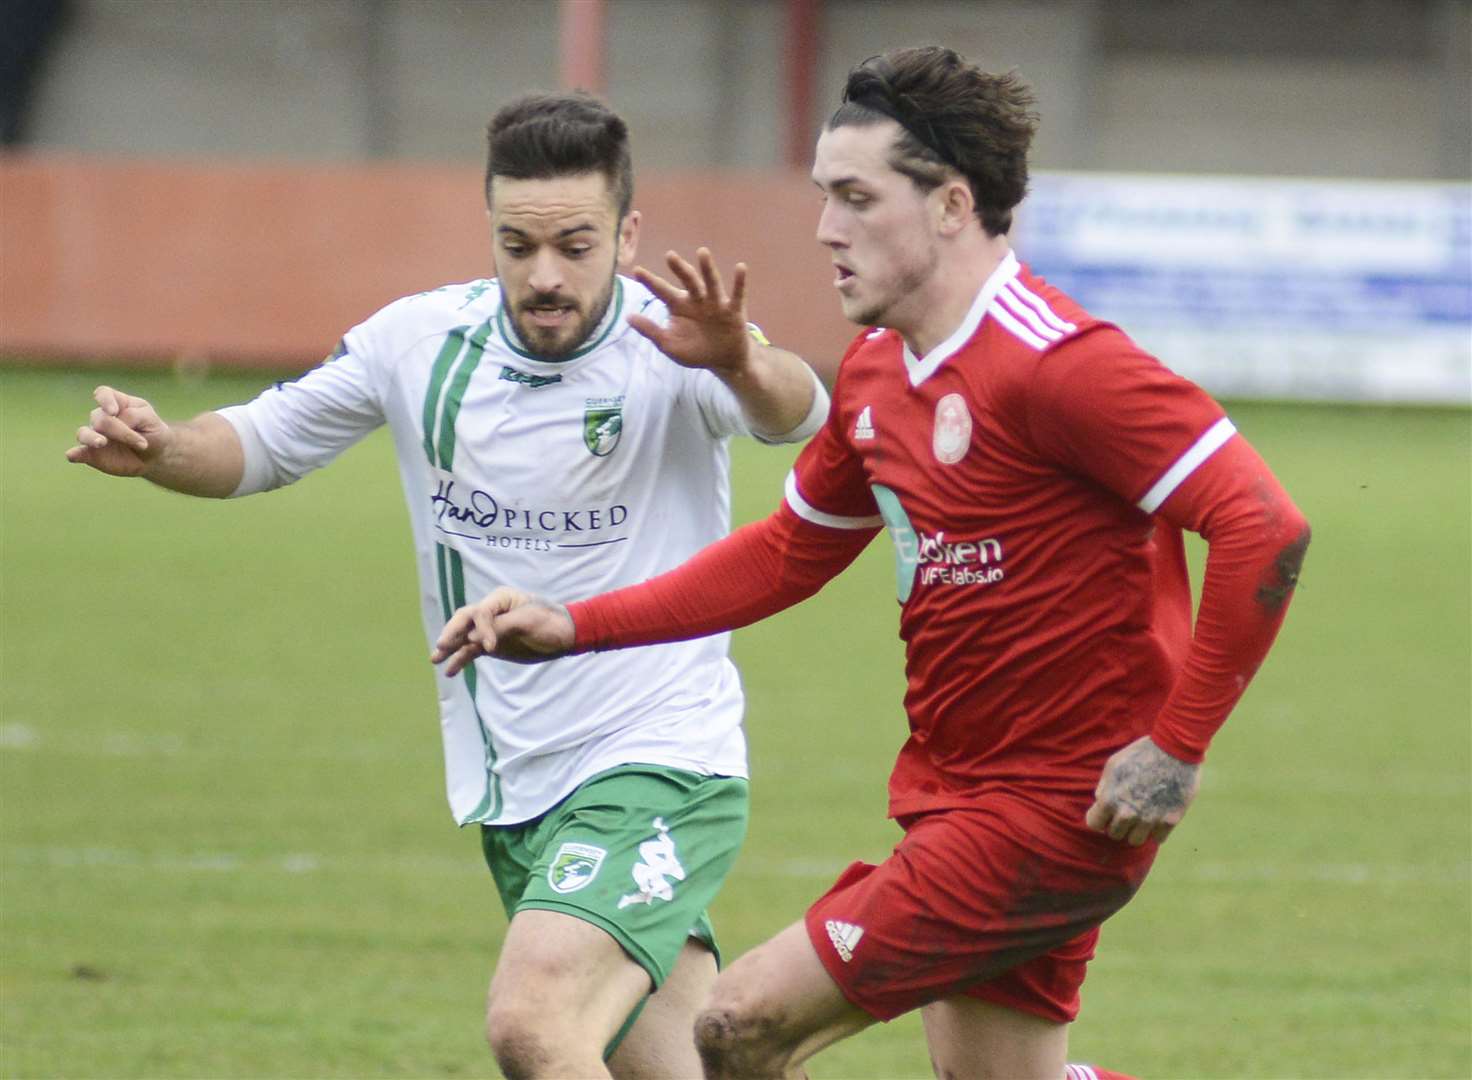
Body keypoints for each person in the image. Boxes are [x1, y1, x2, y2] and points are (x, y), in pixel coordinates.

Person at [433, 48, 1311, 1080]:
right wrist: (575, 624)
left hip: (1056, 805)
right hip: (955, 789)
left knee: (737, 1025)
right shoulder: (875, 371)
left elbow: (1263, 526)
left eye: (854, 198)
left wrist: (1175, 747)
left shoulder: (1059, 366)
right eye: (822, 197)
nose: (823, 229)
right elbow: (786, 553)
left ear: (947, 206)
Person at [64, 91, 829, 1079]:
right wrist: (165, 448)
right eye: (517, 245)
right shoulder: (418, 343)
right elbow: (262, 441)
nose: (543, 275)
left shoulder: (674, 342)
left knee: (533, 1024)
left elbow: (793, 411)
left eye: (574, 245)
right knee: (698, 1063)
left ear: (627, 235)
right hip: (515, 782)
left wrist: (741, 359)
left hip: (657, 759)